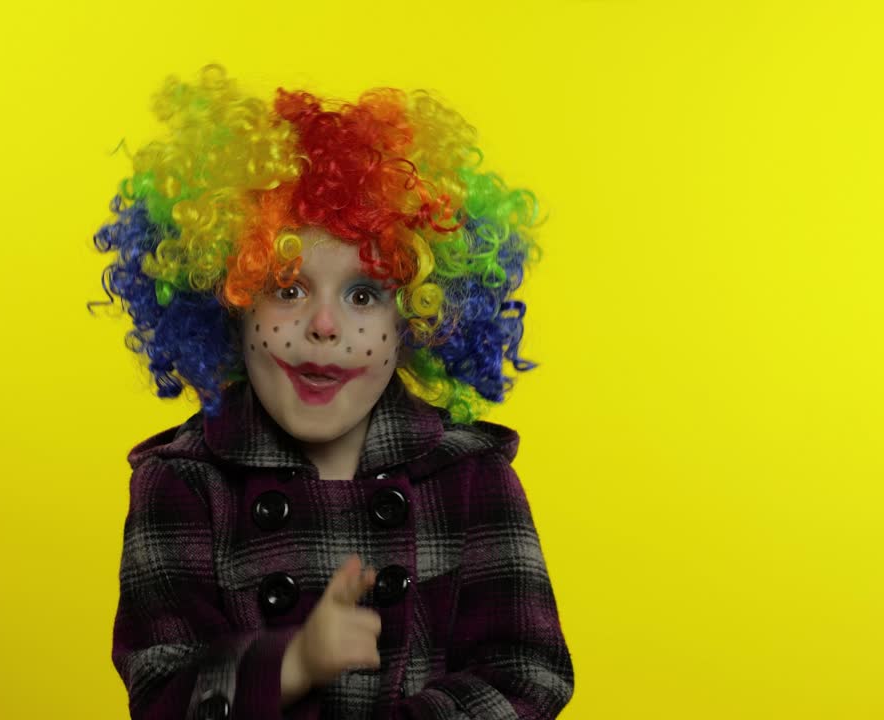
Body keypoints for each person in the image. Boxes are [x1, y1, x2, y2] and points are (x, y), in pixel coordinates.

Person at [91, 64, 574, 719]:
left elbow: (530, 674)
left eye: (364, 294)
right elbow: (160, 696)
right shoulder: (182, 483)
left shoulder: (468, 475)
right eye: (287, 288)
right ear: (228, 302)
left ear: (417, 317)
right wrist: (289, 665)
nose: (324, 325)